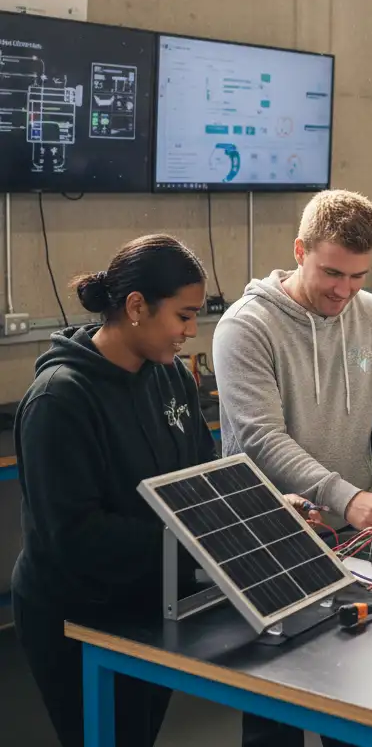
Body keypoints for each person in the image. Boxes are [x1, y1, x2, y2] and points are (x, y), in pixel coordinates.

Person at [214, 190, 372, 746]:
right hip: (273, 543)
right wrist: (347, 496)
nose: (344, 291)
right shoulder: (245, 327)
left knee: (358, 705)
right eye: (331, 273)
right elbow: (260, 440)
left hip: (355, 539)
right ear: (299, 251)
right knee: (277, 711)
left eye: (358, 277)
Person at [12, 235, 215, 747]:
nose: (191, 333)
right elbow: (77, 535)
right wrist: (192, 540)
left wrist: (260, 510)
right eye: (184, 316)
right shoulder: (60, 400)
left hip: (150, 599)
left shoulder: (171, 379)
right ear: (136, 307)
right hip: (77, 613)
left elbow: (204, 474)